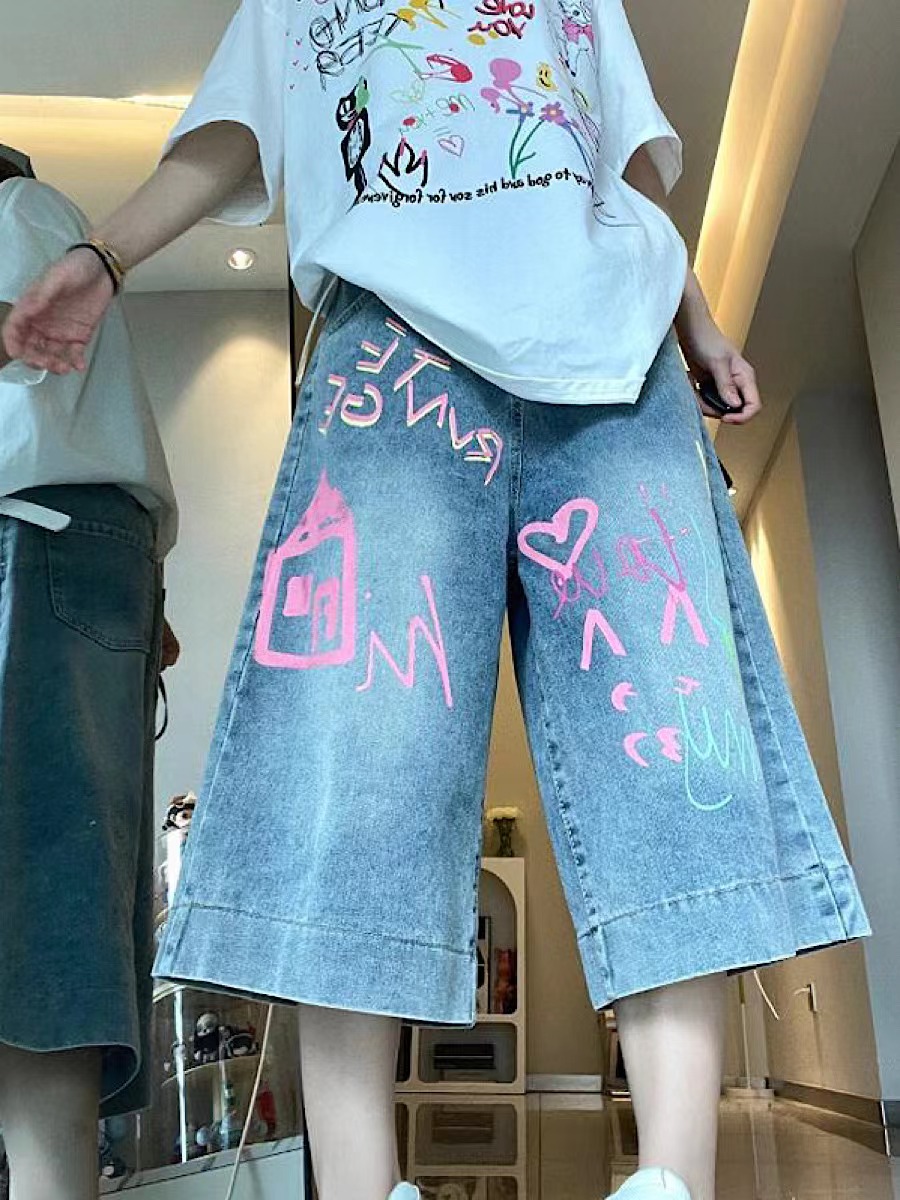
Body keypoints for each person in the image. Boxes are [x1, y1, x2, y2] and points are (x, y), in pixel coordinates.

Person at [2, 0, 872, 1195]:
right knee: (360, 757)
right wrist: (105, 258)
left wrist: (702, 323)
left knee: (672, 745)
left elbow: (620, 166)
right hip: (394, 343)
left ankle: (675, 1180)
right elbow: (232, 131)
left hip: (619, 355)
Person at [0, 146, 180, 1200]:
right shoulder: (32, 211)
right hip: (71, 550)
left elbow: (30, 345)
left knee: (38, 936)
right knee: (53, 935)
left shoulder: (19, 205)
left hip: (35, 542)